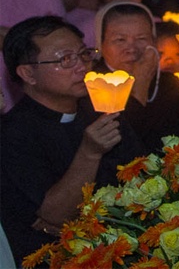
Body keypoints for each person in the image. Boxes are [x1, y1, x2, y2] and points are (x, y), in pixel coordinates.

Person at [0, 17, 143, 261]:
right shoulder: (12, 133)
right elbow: (55, 217)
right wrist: (90, 152)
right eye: (66, 59)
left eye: (84, 54)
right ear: (28, 73)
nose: (82, 67)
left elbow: (141, 171)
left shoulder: (101, 107)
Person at [94, 2, 179, 153]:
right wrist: (141, 83)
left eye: (141, 38)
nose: (132, 48)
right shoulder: (93, 87)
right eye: (120, 40)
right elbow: (124, 147)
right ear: (101, 43)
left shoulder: (167, 83)